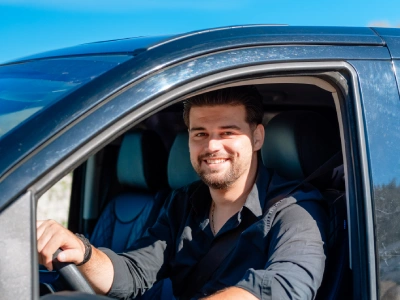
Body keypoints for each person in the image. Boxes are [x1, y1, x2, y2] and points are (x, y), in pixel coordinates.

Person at [37, 86, 327, 300]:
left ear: (257, 137)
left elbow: (287, 286)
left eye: (227, 132)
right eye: (200, 133)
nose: (212, 146)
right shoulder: (183, 202)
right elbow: (136, 271)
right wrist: (83, 253)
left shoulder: (296, 208)